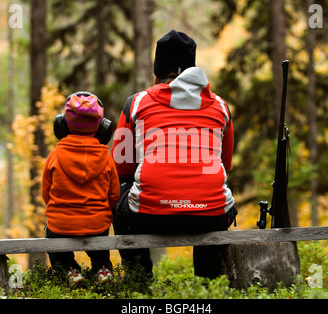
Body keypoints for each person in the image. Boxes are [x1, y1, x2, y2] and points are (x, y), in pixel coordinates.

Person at [111, 30, 237, 280]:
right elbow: (226, 163)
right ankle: (207, 284)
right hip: (210, 216)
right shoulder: (220, 106)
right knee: (215, 184)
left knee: (119, 188)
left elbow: (121, 166)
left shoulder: (135, 103)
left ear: (157, 72)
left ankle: (139, 282)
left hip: (148, 216)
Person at [42, 92, 120, 287]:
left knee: (51, 234)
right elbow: (114, 195)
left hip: (61, 224)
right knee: (100, 232)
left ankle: (69, 269)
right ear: (103, 128)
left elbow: (46, 193)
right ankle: (102, 268)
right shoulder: (106, 157)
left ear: (62, 124)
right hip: (97, 225)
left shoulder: (55, 155)